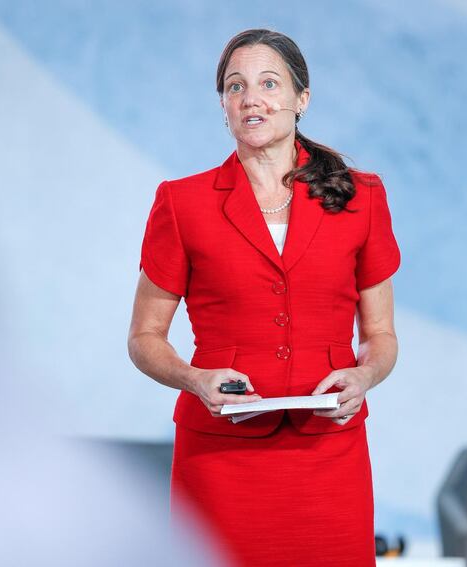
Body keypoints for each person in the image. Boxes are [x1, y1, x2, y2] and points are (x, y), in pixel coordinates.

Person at [128, 28, 401, 567]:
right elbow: (144, 337)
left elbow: (381, 336)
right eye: (236, 86)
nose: (252, 98)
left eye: (269, 83)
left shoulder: (362, 197)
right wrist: (193, 378)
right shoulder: (181, 203)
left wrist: (364, 376)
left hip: (329, 451)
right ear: (224, 106)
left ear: (301, 99)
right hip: (220, 455)